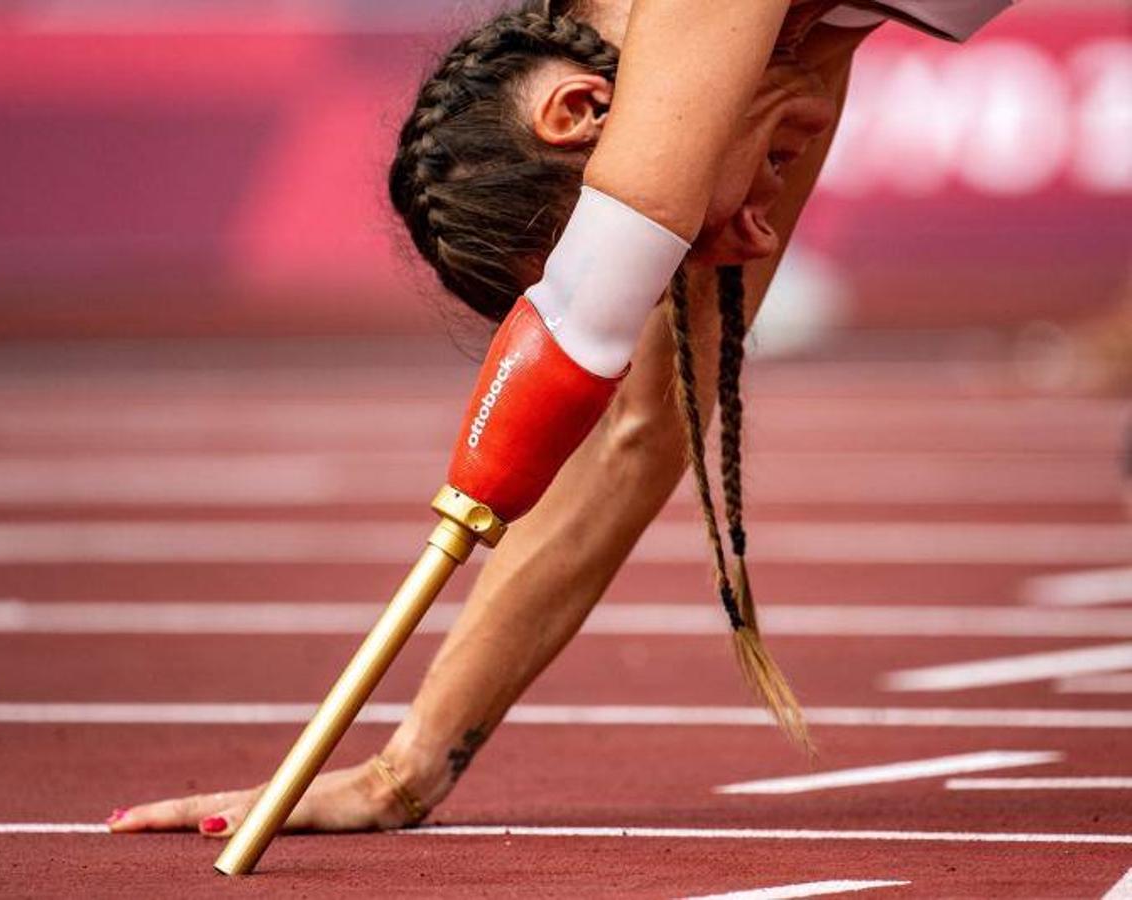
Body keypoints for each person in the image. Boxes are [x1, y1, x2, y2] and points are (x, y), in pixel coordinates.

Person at [108, 0, 1016, 838]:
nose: (728, 253)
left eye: (663, 257)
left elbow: (582, 325)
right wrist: (403, 768)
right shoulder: (775, 55)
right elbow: (639, 424)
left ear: (580, 111)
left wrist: (477, 487)